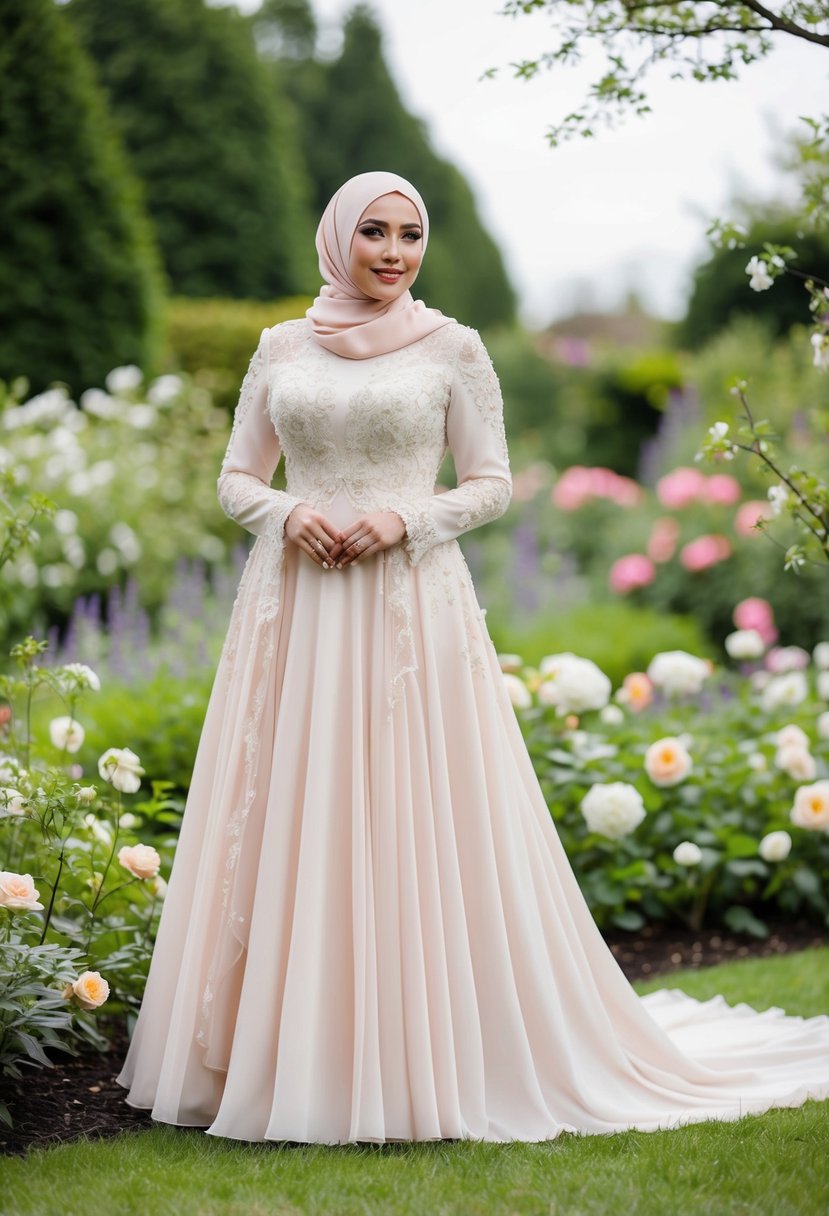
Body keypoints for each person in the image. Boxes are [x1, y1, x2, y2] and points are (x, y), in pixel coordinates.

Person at [116, 171, 829, 1144]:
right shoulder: (280, 346)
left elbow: (491, 482)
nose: (393, 250)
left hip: (412, 607)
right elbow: (236, 474)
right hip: (296, 604)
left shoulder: (453, 347)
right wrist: (292, 513)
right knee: (293, 805)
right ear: (338, 237)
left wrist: (403, 518)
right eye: (374, 231)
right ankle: (285, 1053)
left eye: (410, 234)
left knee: (407, 813)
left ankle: (414, 1054)